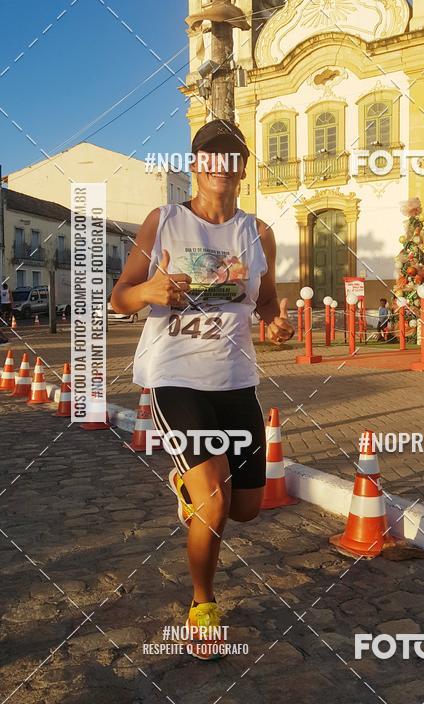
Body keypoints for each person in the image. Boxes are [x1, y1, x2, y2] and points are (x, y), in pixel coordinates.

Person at [110, 119, 294, 659]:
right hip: (176, 378)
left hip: (235, 380)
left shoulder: (257, 233)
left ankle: (187, 486)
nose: (221, 165)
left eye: (232, 156)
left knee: (246, 509)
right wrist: (148, 291)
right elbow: (120, 297)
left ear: (242, 168)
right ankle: (202, 603)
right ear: (195, 165)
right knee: (215, 502)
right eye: (210, 155)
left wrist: (274, 322)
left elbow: (265, 299)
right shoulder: (164, 221)